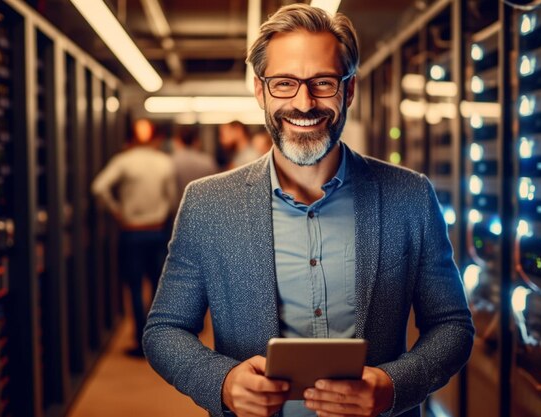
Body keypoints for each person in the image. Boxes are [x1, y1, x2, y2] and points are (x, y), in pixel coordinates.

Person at [144, 4, 473, 417]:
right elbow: (164, 330)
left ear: (348, 89)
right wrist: (222, 382)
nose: (304, 103)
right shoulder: (207, 204)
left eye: (323, 82)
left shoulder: (410, 196)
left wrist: (393, 387)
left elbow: (453, 326)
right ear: (260, 90)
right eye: (284, 83)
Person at [92, 118, 176, 357]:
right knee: (160, 288)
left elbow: (98, 187)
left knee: (136, 289)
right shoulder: (164, 162)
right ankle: (160, 342)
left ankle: (141, 342)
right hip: (157, 231)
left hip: (132, 233)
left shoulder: (123, 161)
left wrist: (117, 211)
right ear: (156, 138)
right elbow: (172, 200)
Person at [171, 125, 219, 196]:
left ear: (177, 141)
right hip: (202, 204)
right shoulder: (207, 162)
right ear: (196, 141)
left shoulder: (170, 162)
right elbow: (214, 188)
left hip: (178, 205)